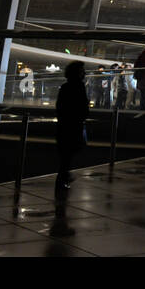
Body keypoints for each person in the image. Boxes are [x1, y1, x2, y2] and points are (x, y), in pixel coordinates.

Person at [55, 61, 89, 195]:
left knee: (65, 156)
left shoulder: (65, 87)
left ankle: (63, 179)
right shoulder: (79, 87)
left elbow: (60, 107)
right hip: (74, 126)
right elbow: (83, 108)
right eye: (82, 71)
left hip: (63, 126)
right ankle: (62, 180)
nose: (84, 73)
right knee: (67, 156)